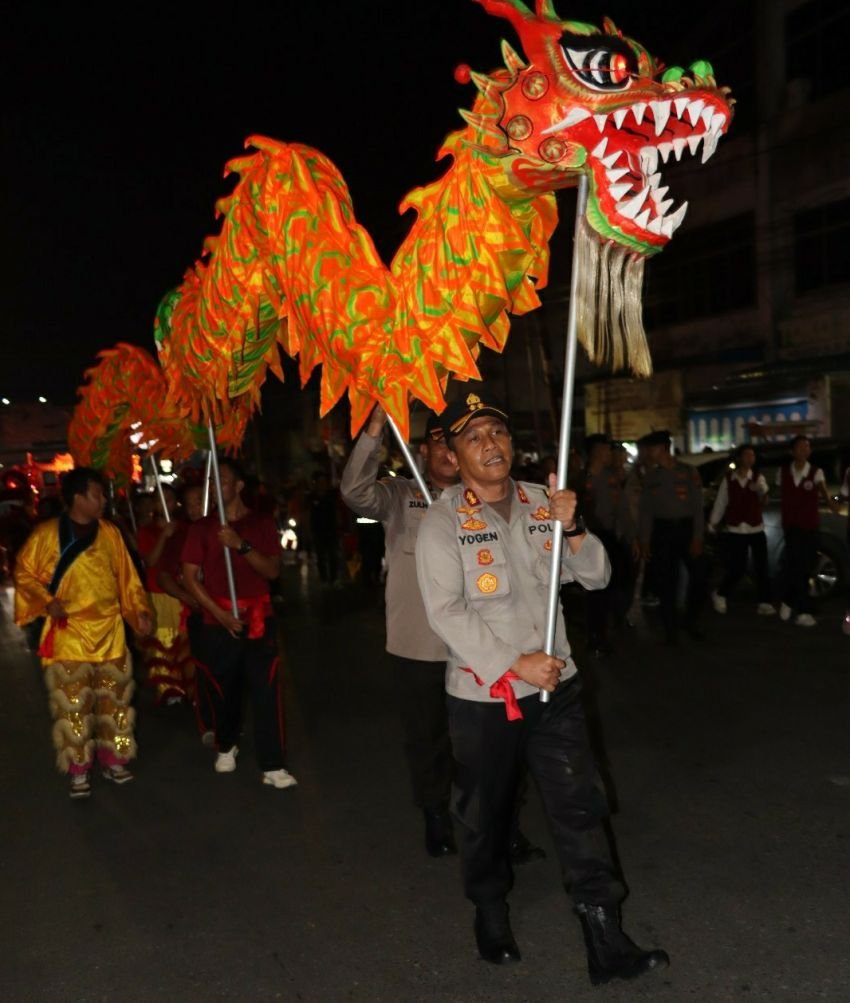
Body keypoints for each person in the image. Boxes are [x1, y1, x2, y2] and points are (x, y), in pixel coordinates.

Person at [415, 388, 668, 984]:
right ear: (453, 452)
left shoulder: (541, 501)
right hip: (486, 697)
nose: (490, 444)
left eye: (497, 432)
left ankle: (604, 935)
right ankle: (490, 910)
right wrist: (514, 662)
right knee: (487, 814)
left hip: (559, 688)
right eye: (473, 436)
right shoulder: (443, 520)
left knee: (580, 807)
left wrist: (574, 526)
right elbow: (446, 612)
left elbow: (598, 575)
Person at [341, 406, 544, 864]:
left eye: (452, 442)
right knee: (429, 740)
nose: (448, 453)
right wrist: (375, 425)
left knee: (501, 746)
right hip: (421, 647)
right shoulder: (401, 496)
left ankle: (506, 824)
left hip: (489, 650)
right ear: (425, 451)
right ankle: (436, 813)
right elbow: (354, 491)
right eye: (437, 443)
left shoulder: (489, 498)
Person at [13, 467, 153, 799]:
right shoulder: (46, 535)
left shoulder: (111, 533)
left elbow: (128, 580)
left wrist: (139, 613)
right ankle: (78, 768)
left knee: (116, 703)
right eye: (97, 493)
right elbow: (23, 573)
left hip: (111, 633)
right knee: (73, 706)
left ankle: (116, 758)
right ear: (78, 497)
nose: (103, 499)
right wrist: (48, 603)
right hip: (69, 634)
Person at [181, 458, 296, 789]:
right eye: (212, 482)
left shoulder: (260, 523)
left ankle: (273, 763)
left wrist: (240, 545)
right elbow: (190, 578)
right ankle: (226, 743)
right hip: (218, 621)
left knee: (266, 689)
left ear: (240, 486)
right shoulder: (202, 527)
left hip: (259, 619)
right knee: (223, 689)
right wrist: (219, 615)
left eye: (225, 480)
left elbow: (273, 571)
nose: (217, 487)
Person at [157, 483, 214, 742]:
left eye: (199, 501)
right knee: (202, 669)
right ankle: (209, 724)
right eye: (189, 503)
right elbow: (165, 575)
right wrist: (189, 598)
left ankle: (228, 719)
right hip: (198, 615)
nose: (194, 508)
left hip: (228, 612)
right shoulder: (179, 535)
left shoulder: (223, 529)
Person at [639, 430, 707, 643]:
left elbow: (698, 508)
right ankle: (670, 628)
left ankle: (691, 619)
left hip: (686, 530)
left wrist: (697, 537)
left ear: (664, 448)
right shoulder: (651, 477)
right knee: (666, 581)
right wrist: (645, 540)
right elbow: (647, 512)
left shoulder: (688, 471)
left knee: (700, 577)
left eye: (653, 449)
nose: (650, 453)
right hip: (663, 531)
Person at [136, 485, 193, 705]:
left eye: (169, 499)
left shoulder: (185, 528)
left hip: (182, 591)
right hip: (158, 593)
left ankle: (191, 686)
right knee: (164, 641)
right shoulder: (147, 531)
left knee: (185, 640)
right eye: (160, 500)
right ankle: (169, 688)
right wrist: (163, 536)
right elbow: (149, 561)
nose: (165, 504)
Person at [580, 434, 632, 654]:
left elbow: (622, 508)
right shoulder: (581, 479)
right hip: (590, 538)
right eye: (606, 450)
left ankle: (609, 625)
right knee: (597, 588)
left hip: (611, 537)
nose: (609, 454)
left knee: (618, 580)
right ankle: (596, 635)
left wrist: (630, 535)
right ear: (596, 452)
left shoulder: (612, 477)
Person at [776, 435, 836, 627]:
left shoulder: (816, 472)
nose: (805, 450)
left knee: (808, 565)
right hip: (792, 527)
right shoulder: (783, 471)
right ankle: (803, 612)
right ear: (792, 451)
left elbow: (824, 492)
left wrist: (831, 504)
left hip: (810, 526)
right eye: (801, 447)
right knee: (796, 566)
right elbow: (779, 495)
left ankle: (788, 600)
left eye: (807, 447)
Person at [708, 445, 774, 616]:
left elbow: (766, 500)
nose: (750, 458)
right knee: (737, 567)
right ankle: (721, 594)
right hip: (736, 529)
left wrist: (759, 491)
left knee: (761, 566)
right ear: (739, 458)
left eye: (752, 455)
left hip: (756, 528)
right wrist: (713, 523)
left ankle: (765, 601)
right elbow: (721, 502)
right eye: (746, 455)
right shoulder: (729, 479)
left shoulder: (758, 478)